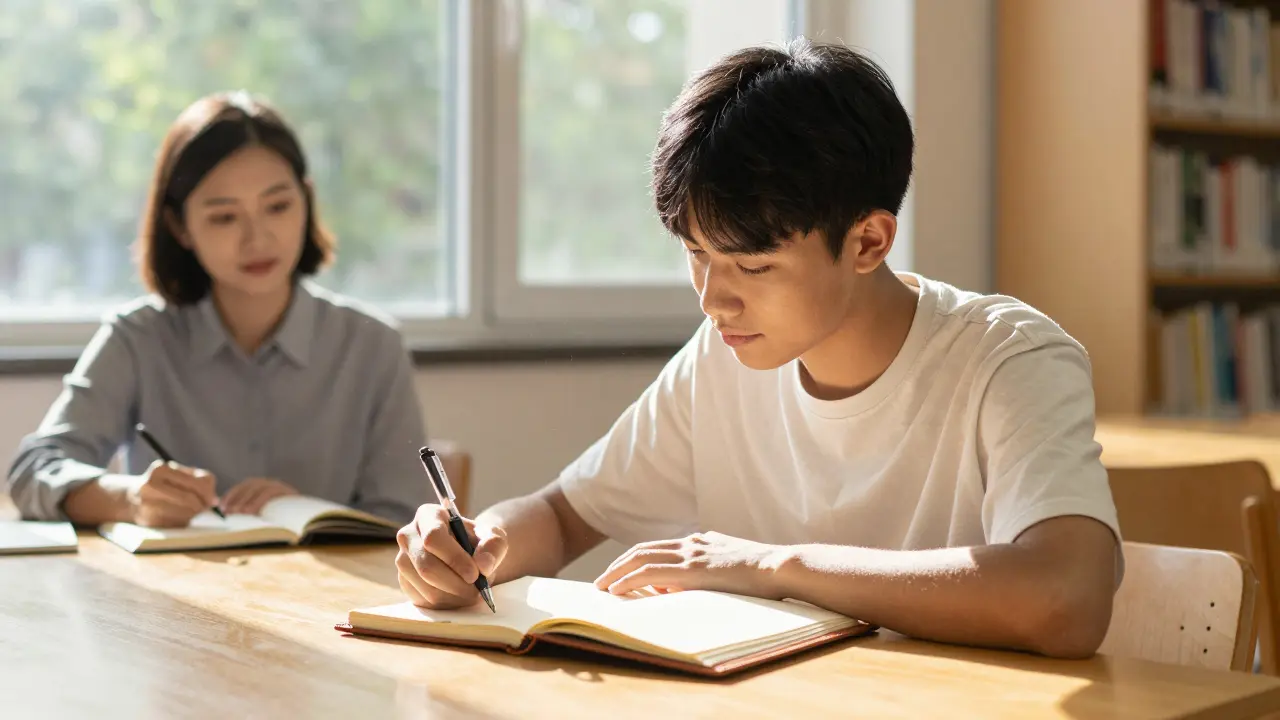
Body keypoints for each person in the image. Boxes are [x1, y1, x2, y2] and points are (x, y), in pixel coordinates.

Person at [395, 40, 1122, 659]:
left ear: (867, 241)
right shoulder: (725, 356)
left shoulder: (1008, 358)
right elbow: (561, 516)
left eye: (753, 266)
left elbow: (1066, 598)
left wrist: (774, 567)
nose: (714, 300)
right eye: (696, 253)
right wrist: (477, 546)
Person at [7, 91, 427, 527]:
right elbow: (33, 471)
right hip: (173, 573)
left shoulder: (373, 345)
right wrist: (130, 498)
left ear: (306, 200)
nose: (257, 239)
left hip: (328, 574)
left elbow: (406, 520)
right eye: (225, 217)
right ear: (180, 227)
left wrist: (314, 513)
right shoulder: (138, 338)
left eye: (278, 206)